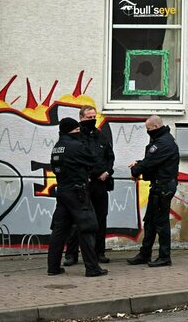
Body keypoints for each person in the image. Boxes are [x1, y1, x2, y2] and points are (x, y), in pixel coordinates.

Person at [47, 117, 108, 277]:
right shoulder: (76, 146)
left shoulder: (57, 147)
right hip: (77, 192)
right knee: (86, 227)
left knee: (59, 230)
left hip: (63, 191)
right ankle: (92, 268)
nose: (79, 133)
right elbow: (94, 160)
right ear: (71, 131)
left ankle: (53, 267)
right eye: (76, 130)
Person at [64, 106, 115, 266]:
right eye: (89, 117)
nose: (92, 120)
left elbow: (110, 157)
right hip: (85, 184)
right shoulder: (77, 138)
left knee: (100, 219)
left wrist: (107, 171)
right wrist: (96, 173)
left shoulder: (101, 136)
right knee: (76, 220)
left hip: (101, 185)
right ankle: (71, 255)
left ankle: (99, 252)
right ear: (81, 118)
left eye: (94, 117)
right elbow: (81, 159)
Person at [126, 115, 179, 267]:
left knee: (161, 223)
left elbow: (150, 161)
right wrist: (139, 163)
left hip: (163, 187)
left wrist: (135, 170)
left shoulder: (163, 142)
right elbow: (152, 161)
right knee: (150, 221)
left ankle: (164, 257)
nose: (147, 132)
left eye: (148, 129)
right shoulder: (161, 139)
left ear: (155, 127)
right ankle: (145, 253)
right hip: (158, 186)